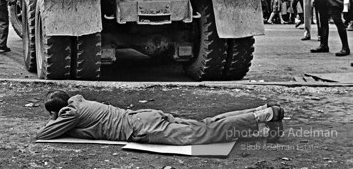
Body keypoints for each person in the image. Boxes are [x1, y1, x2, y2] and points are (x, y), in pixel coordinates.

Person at [36, 90, 285, 145]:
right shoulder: (79, 102)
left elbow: (43, 135)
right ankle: (263, 116)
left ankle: (262, 116)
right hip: (143, 116)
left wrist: (54, 120)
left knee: (204, 134)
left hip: (141, 127)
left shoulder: (70, 113)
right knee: (205, 125)